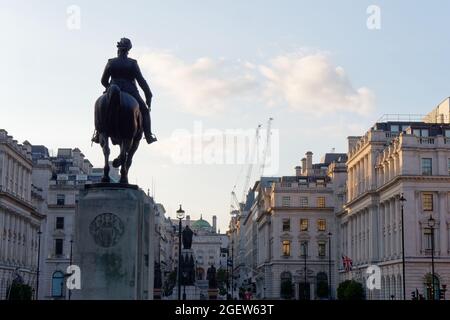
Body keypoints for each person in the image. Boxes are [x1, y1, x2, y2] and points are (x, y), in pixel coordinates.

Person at [93, 37, 157, 144]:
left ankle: (97, 134)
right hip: (130, 91)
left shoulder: (111, 62)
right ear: (128, 50)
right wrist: (148, 95)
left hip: (112, 88)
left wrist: (109, 87)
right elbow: (141, 81)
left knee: (101, 107)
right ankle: (148, 135)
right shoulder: (132, 63)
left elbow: (103, 81)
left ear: (118, 49)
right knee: (145, 111)